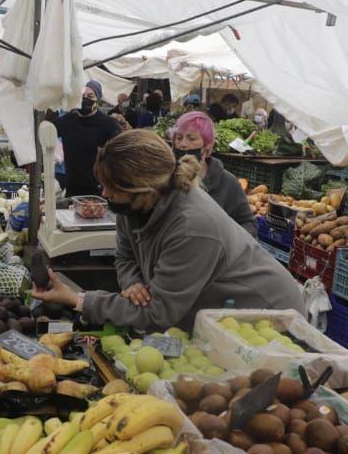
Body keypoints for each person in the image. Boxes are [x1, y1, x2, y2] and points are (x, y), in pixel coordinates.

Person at [34, 131, 304, 330]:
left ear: (144, 190)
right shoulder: (135, 207)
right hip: (214, 314)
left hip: (267, 315)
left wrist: (77, 299)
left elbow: (156, 313)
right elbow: (125, 257)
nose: (105, 194)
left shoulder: (192, 227)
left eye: (112, 188)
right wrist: (133, 283)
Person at [170, 111, 256, 235]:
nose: (183, 144)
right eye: (179, 138)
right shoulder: (166, 179)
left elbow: (249, 224)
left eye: (191, 138)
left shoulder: (228, 182)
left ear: (207, 144)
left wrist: (225, 242)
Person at [53, 80, 121, 197]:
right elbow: (46, 130)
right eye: (82, 96)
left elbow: (120, 152)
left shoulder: (108, 124)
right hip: (72, 188)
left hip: (98, 190)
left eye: (90, 96)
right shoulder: (67, 121)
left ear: (98, 100)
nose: (85, 99)